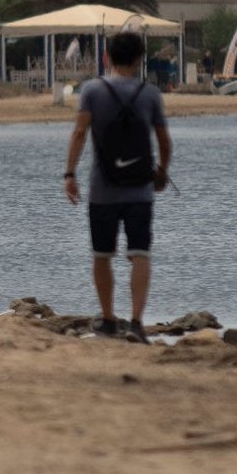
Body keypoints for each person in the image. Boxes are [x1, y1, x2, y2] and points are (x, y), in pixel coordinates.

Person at [62, 31, 172, 342]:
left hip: (102, 189)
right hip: (140, 189)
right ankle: (136, 322)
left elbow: (79, 133)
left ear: (107, 57)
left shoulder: (93, 90)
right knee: (140, 254)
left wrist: (69, 174)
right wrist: (162, 172)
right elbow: (164, 141)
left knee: (101, 255)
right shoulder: (150, 94)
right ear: (139, 60)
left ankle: (108, 319)